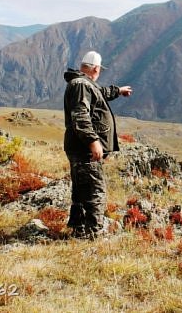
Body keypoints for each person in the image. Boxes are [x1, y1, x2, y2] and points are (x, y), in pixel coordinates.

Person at [63, 50, 133, 238]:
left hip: (79, 148)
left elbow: (99, 93)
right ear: (95, 69)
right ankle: (93, 234)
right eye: (99, 70)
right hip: (84, 149)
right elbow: (80, 116)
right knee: (94, 191)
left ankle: (79, 229)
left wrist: (118, 91)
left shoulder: (84, 84)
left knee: (81, 190)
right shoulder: (81, 85)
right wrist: (93, 142)